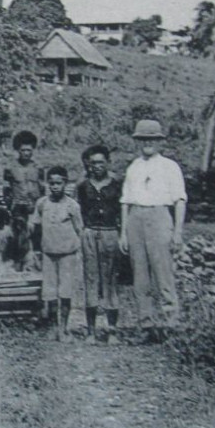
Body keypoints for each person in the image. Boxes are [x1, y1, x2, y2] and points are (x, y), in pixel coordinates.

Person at [119, 119, 187, 342]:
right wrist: (123, 233)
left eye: (152, 139)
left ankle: (171, 325)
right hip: (135, 219)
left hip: (159, 217)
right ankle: (146, 325)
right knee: (140, 276)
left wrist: (177, 232)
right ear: (138, 141)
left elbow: (179, 200)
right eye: (143, 139)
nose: (147, 143)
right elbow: (125, 201)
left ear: (159, 142)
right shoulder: (133, 167)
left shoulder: (169, 166)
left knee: (163, 272)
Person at [76, 144, 125, 343]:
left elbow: (123, 210)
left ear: (108, 163)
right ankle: (91, 331)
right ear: (88, 164)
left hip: (110, 233)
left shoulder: (117, 185)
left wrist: (122, 234)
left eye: (101, 162)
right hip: (89, 233)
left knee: (111, 280)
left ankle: (112, 330)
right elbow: (77, 211)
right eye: (93, 163)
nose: (97, 166)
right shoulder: (82, 186)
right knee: (91, 279)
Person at [30, 165, 83, 337]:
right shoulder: (42, 203)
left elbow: (79, 230)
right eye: (51, 183)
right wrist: (35, 250)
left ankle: (64, 327)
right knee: (50, 292)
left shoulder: (72, 205)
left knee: (65, 291)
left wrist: (80, 253)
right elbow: (35, 227)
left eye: (58, 183)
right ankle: (54, 327)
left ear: (65, 184)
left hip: (67, 254)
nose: (54, 187)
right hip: (48, 254)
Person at [2, 130, 45, 270]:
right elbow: (6, 190)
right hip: (18, 209)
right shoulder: (10, 168)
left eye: (29, 150)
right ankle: (19, 266)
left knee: (37, 237)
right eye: (23, 150)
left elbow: (42, 188)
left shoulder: (38, 168)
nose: (26, 153)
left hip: (35, 208)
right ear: (17, 150)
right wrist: (11, 206)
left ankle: (37, 267)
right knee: (20, 239)